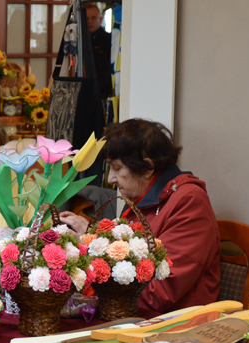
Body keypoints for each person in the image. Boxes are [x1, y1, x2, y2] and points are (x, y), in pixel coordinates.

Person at [61, 119, 220, 314]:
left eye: (117, 168)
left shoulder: (189, 202)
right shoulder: (142, 199)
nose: (111, 179)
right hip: (131, 314)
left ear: (147, 168)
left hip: (174, 323)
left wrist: (93, 247)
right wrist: (91, 242)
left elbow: (156, 295)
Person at [84, 3, 113, 100]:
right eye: (86, 18)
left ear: (100, 19)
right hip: (84, 90)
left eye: (93, 18)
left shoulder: (109, 40)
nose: (89, 21)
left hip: (103, 92)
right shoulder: (79, 40)